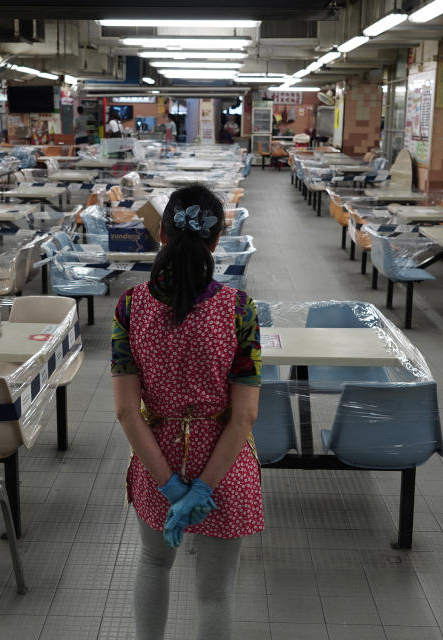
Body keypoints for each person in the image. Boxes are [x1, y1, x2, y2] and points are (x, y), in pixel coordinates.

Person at [111, 184, 263, 640]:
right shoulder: (240, 310)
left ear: (161, 235)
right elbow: (244, 417)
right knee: (215, 595)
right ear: (215, 241)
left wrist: (173, 486)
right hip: (225, 467)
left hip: (156, 460)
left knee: (154, 564)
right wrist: (200, 490)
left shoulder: (130, 307)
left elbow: (126, 412)